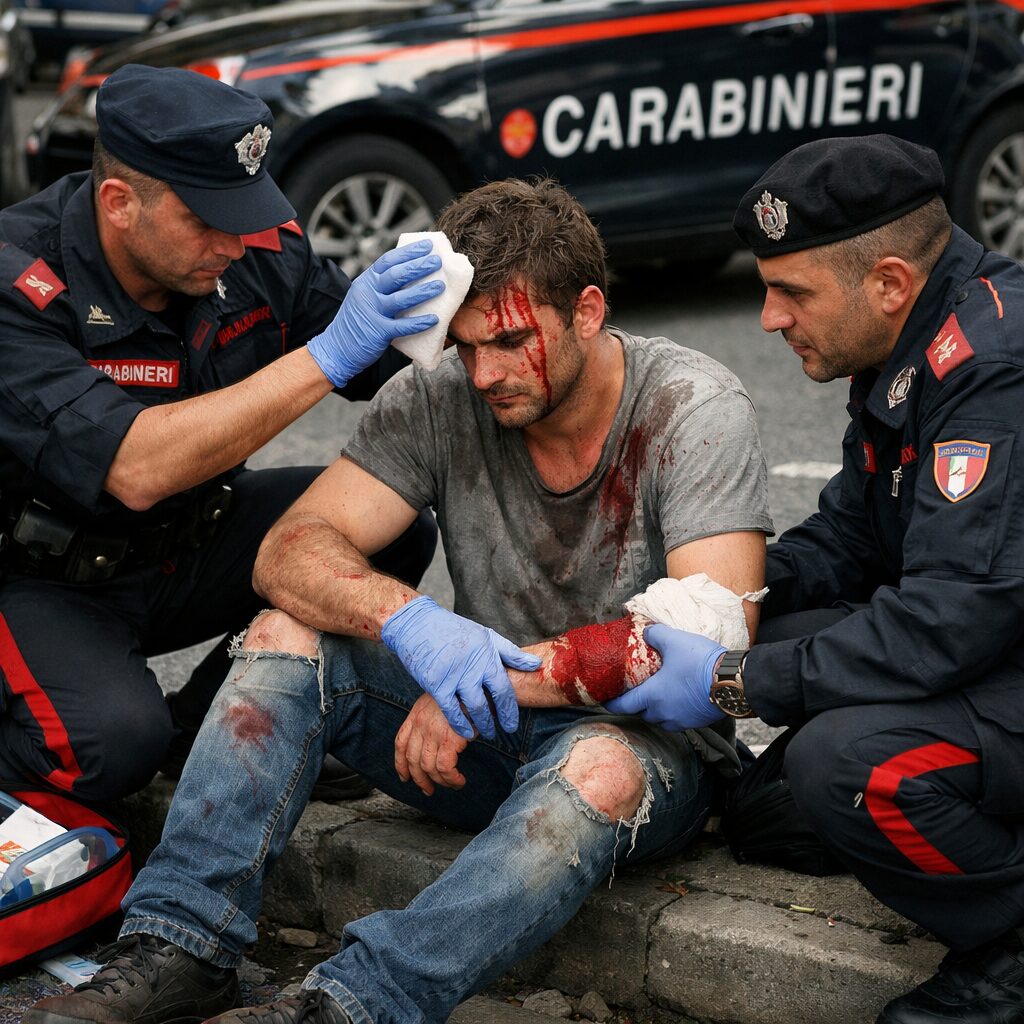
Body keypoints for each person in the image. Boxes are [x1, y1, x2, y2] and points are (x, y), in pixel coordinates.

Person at [27, 177, 773, 1024]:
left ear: (589, 311)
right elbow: (288, 550)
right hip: (477, 734)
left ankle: (353, 1005)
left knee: (595, 767)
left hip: (642, 753)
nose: (484, 373)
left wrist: (484, 680)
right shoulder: (442, 392)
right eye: (465, 344)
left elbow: (702, 636)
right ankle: (180, 945)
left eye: (511, 341)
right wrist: (411, 623)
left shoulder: (691, 404)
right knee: (286, 631)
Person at [609, 134, 1024, 1024]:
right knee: (774, 805)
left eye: (791, 292)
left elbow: (947, 621)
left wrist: (730, 680)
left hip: (989, 642)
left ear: (888, 282)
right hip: (991, 641)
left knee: (848, 767)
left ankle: (1009, 946)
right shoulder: (907, 337)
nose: (769, 317)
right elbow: (851, 538)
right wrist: (715, 593)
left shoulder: (990, 369)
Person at [0, 63, 446, 803]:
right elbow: (134, 465)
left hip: (189, 542)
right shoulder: (18, 281)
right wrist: (326, 357)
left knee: (384, 524)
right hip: (43, 577)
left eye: (242, 212)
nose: (234, 242)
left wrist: (464, 303)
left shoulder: (255, 249)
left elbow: (391, 363)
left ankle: (207, 732)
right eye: (206, 219)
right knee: (110, 749)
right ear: (119, 203)